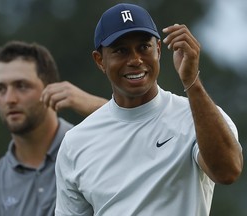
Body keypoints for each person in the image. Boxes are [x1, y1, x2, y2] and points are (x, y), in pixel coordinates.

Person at [54, 3, 243, 216]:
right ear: (100, 61)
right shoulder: (75, 143)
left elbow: (227, 171)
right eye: (121, 51)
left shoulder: (197, 117)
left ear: (159, 50)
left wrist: (192, 81)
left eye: (144, 47)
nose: (135, 60)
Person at [0, 41, 107, 216]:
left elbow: (139, 136)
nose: (9, 99)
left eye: (21, 86)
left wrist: (94, 105)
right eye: (1, 89)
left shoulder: (88, 149)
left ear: (51, 88)